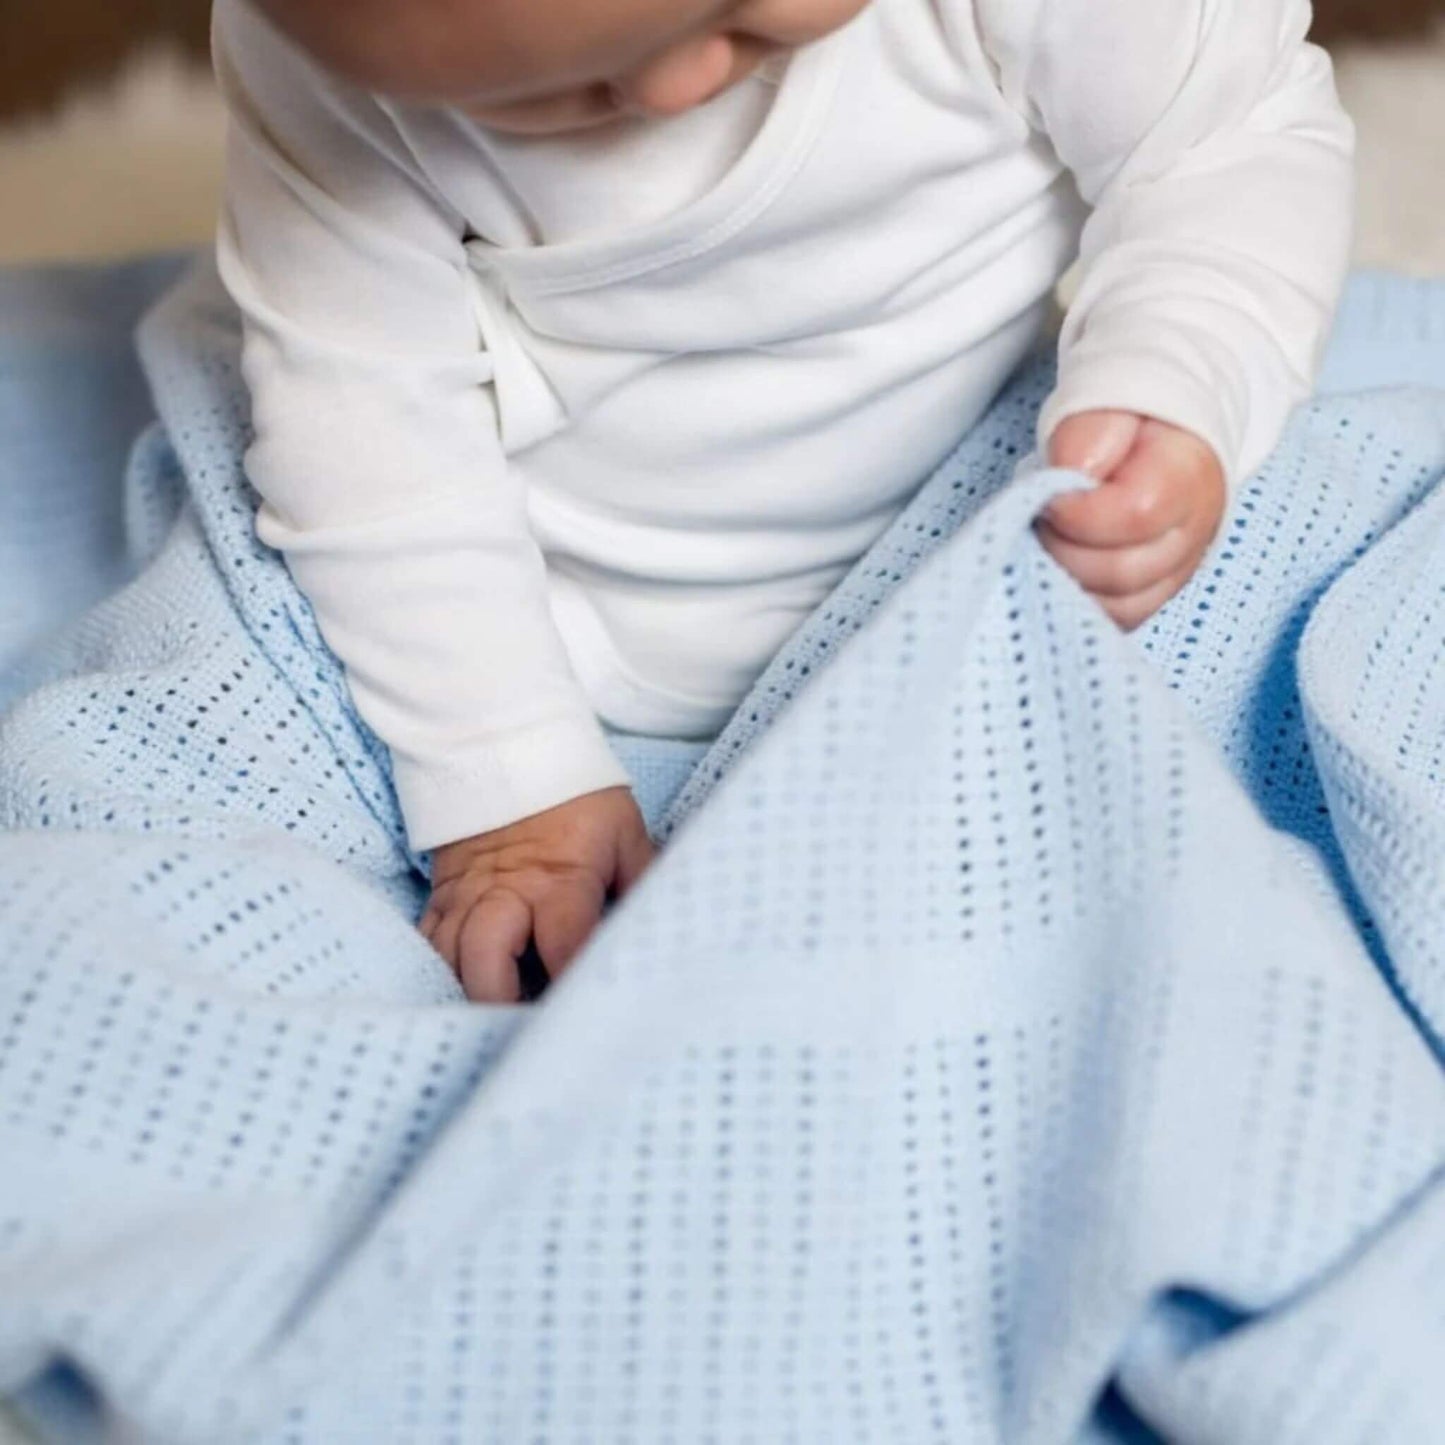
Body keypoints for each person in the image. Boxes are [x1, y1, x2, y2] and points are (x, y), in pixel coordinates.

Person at [213, 0, 1354, 1000]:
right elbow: (363, 421)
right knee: (206, 733)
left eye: (745, 8)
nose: (672, 86)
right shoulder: (323, 56)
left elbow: (1223, 147)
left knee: (1321, 635)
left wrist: (1177, 378)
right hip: (514, 587)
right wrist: (502, 779)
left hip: (1000, 502)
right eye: (543, 93)